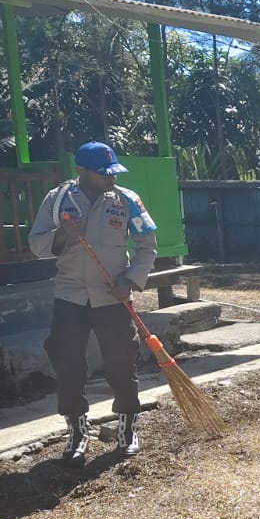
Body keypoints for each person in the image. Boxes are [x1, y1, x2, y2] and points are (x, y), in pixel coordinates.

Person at [27, 141, 158, 463]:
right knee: (67, 362)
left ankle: (127, 428)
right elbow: (36, 245)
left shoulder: (127, 201)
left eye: (113, 172)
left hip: (112, 296)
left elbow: (147, 247)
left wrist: (130, 281)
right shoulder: (57, 200)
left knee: (121, 362)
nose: (110, 178)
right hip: (70, 295)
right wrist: (62, 235)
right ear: (81, 171)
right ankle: (77, 431)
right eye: (103, 174)